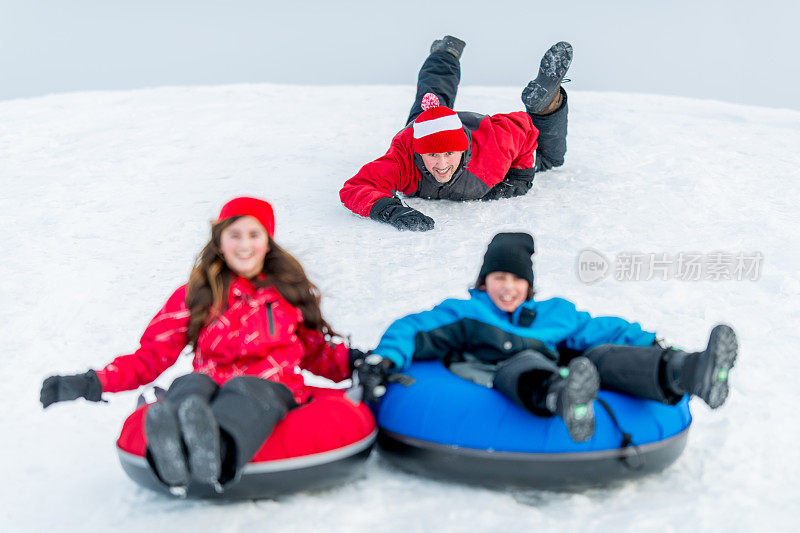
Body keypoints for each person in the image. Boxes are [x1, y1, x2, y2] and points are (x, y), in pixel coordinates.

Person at [40, 197, 361, 492]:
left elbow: (316, 352)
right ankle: (172, 449)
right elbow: (152, 355)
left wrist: (358, 363)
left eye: (254, 234)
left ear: (267, 242)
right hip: (209, 388)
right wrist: (92, 382)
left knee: (248, 391)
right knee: (191, 384)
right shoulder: (196, 295)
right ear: (220, 242)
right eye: (235, 235)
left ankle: (216, 450)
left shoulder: (287, 293)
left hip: (269, 388)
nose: (244, 244)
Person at [360, 232, 738, 442]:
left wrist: (653, 344)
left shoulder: (555, 313)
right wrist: (385, 358)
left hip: (566, 367)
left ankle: (688, 371)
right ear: (484, 281)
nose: (508, 289)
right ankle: (564, 398)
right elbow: (413, 327)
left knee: (602, 354)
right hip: (499, 374)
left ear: (529, 283)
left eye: (517, 279)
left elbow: (603, 329)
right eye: (499, 279)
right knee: (524, 362)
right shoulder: (465, 311)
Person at [339, 36, 572, 231]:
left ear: (462, 149)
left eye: (449, 153)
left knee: (549, 158)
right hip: (424, 127)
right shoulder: (405, 156)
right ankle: (445, 52)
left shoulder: (492, 146)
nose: (441, 164)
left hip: (477, 130)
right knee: (430, 103)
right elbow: (354, 188)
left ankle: (547, 104)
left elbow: (525, 129)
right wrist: (390, 211)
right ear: (418, 152)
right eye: (431, 155)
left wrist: (521, 176)